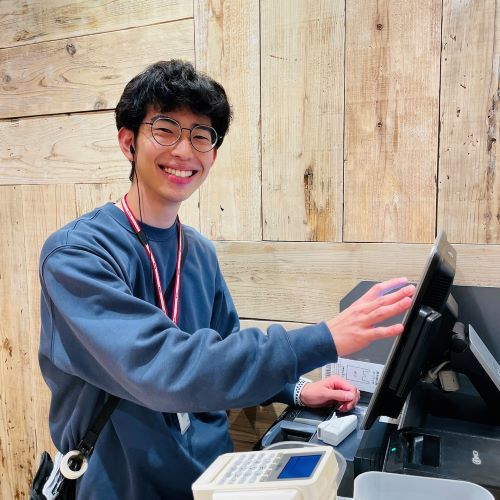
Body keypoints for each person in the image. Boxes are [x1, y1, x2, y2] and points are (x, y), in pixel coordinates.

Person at [38, 59, 415, 499]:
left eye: (201, 136)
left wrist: (297, 389)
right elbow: (163, 369)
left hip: (211, 480)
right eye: (165, 129)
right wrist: (323, 339)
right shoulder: (76, 255)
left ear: (213, 154)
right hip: (123, 486)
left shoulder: (198, 251)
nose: (185, 151)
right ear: (129, 142)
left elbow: (224, 348)